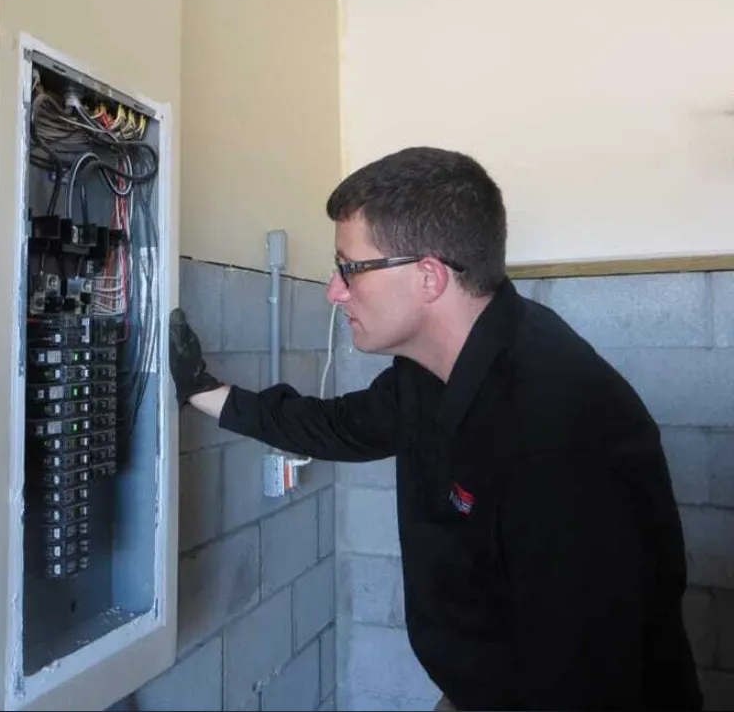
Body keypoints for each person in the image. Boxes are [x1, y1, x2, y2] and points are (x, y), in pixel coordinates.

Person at [169, 146, 702, 711]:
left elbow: (591, 673)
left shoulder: (560, 425)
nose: (333, 291)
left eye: (349, 268)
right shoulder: (427, 372)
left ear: (428, 276)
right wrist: (201, 388)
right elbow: (339, 427)